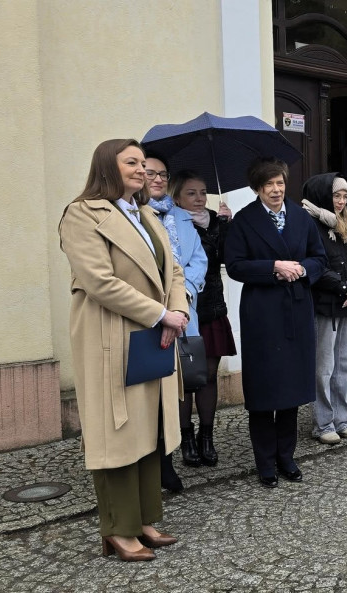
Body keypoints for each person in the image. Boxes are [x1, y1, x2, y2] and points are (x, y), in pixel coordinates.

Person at [59, 138, 188, 561]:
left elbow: (173, 269)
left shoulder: (146, 213)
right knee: (117, 431)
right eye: (131, 163)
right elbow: (99, 282)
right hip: (111, 337)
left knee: (148, 427)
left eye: (144, 164)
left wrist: (177, 309)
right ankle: (118, 528)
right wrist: (160, 314)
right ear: (106, 168)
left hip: (153, 332)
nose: (142, 170)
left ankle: (145, 518)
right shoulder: (83, 214)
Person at [224, 158, 327, 488]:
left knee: (290, 390)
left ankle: (287, 456)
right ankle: (265, 461)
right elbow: (236, 265)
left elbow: (319, 258)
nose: (276, 189)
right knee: (265, 389)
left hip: (296, 310)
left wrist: (302, 269)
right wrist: (273, 267)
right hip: (263, 315)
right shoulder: (244, 221)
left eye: (280, 183)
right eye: (269, 184)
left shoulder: (300, 216)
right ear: (257, 188)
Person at [143, 157, 207, 492]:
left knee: (173, 388)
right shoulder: (135, 214)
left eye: (161, 174)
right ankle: (146, 463)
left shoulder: (181, 217)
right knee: (148, 391)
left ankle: (167, 461)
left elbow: (198, 260)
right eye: (148, 172)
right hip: (147, 314)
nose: (154, 178)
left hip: (182, 312)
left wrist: (185, 296)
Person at [171, 171, 237, 468]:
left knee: (209, 375)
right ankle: (186, 438)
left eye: (203, 192)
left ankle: (206, 436)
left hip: (213, 306)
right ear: (176, 198)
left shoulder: (215, 220)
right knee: (186, 378)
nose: (199, 199)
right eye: (191, 193)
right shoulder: (170, 223)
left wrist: (227, 226)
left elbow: (228, 260)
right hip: (185, 309)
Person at [302, 172, 347, 444]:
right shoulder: (310, 223)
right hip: (325, 305)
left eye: (344, 197)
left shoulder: (344, 223)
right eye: (336, 195)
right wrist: (344, 289)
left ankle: (343, 419)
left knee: (345, 365)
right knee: (324, 367)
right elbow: (317, 267)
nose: (341, 201)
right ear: (323, 195)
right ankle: (323, 422)